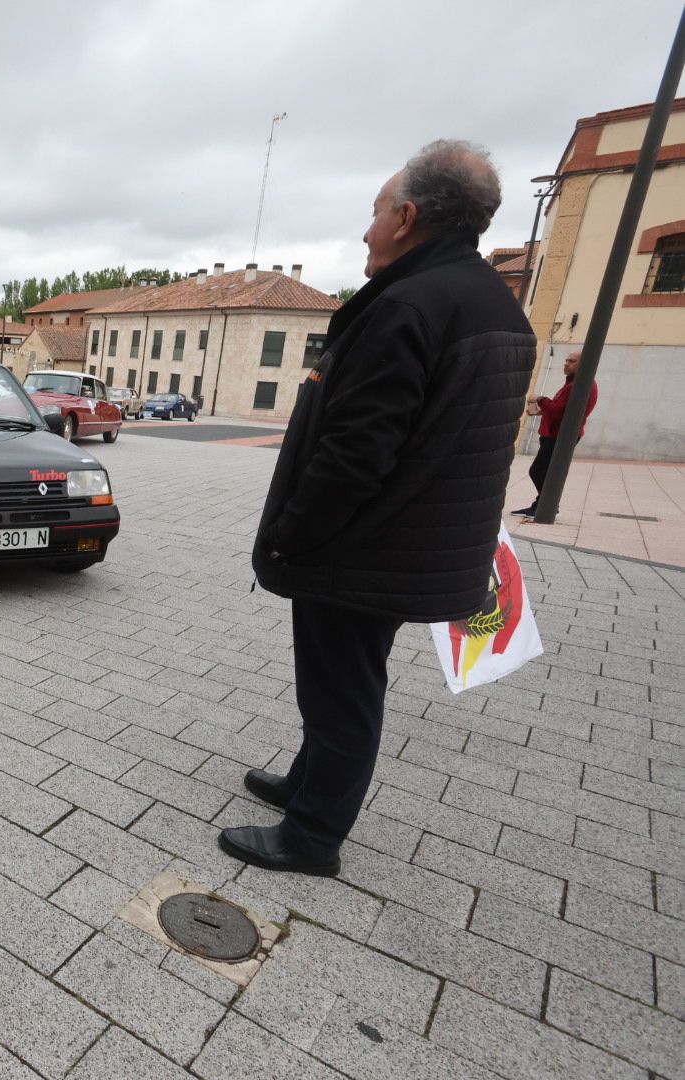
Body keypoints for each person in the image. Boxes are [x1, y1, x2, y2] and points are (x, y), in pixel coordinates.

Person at [228, 140, 535, 876]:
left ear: (406, 217)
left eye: (372, 214)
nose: (366, 231)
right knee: (345, 677)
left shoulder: (406, 305)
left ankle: (311, 837)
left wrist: (292, 533)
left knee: (343, 691)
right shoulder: (494, 304)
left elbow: (356, 452)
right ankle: (307, 783)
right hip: (420, 541)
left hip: (365, 546)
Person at [512, 349, 596, 517]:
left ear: (584, 363)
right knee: (545, 472)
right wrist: (541, 411)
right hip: (556, 434)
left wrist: (540, 399)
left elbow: (559, 411)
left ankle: (549, 505)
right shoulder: (575, 383)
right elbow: (565, 409)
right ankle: (540, 505)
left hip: (559, 435)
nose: (566, 363)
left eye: (572, 361)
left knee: (538, 471)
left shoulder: (579, 385)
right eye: (566, 360)